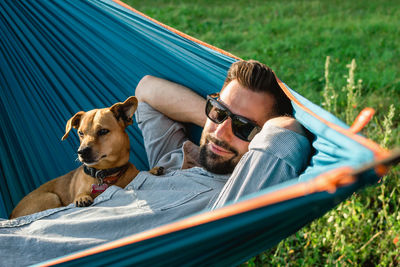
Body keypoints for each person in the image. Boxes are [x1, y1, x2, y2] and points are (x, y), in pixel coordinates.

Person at [0, 60, 311, 265]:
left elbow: (284, 132)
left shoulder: (227, 200)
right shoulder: (173, 159)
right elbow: (146, 91)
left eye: (243, 128)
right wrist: (216, 121)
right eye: (218, 112)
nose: (220, 132)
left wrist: (236, 127)